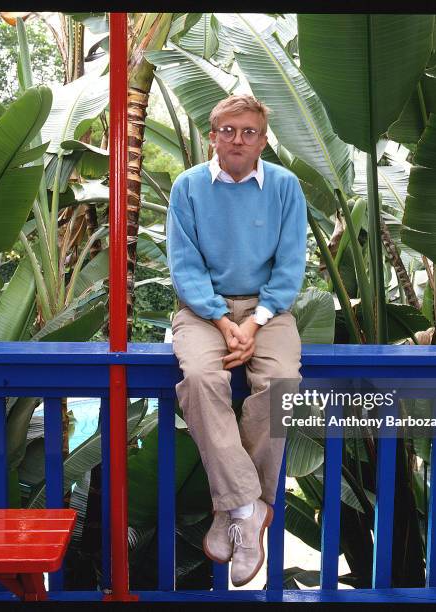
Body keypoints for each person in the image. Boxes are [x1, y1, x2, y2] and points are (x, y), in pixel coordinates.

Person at [166, 94, 307, 587]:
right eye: (228, 130)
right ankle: (248, 507)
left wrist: (253, 323)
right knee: (203, 378)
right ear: (213, 135)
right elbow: (184, 266)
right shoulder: (187, 188)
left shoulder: (286, 187)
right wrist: (223, 321)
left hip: (269, 311)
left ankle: (233, 512)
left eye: (249, 131)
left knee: (281, 381)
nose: (238, 139)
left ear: (263, 140)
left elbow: (290, 267)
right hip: (204, 310)